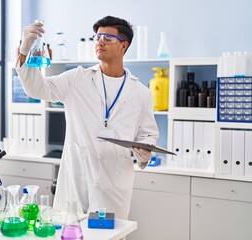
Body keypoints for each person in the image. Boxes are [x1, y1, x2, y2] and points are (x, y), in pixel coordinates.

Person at [16, 16, 159, 220]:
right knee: (70, 232)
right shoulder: (77, 78)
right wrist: (24, 51)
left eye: (108, 38)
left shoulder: (141, 92)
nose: (100, 41)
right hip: (76, 179)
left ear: (123, 46)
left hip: (114, 184)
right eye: (98, 37)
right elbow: (36, 88)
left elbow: (148, 135)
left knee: (109, 235)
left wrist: (145, 149)